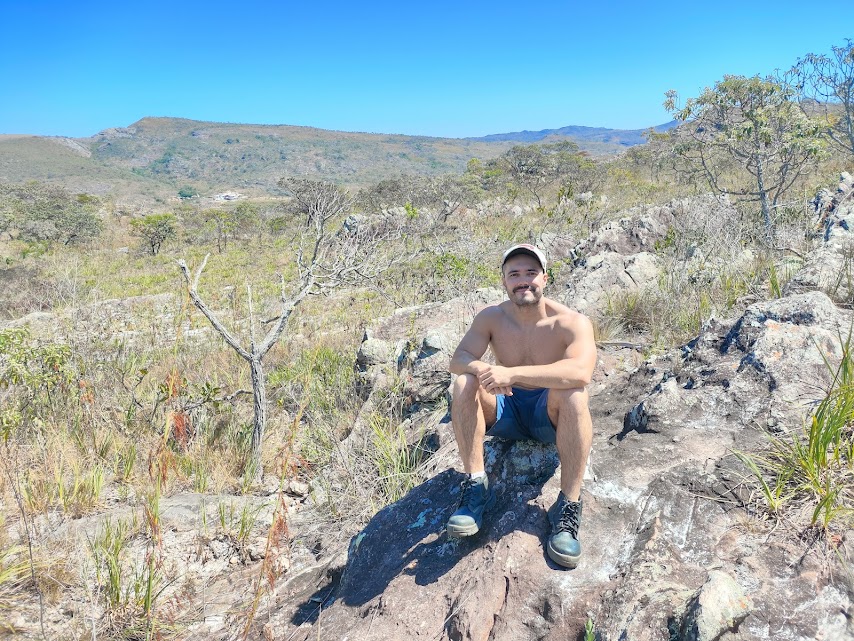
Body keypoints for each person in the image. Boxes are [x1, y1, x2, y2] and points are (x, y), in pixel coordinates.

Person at [446, 243, 596, 569]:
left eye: (531, 273)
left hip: (548, 414)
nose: (523, 280)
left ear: (545, 277)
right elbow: (458, 360)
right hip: (507, 410)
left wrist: (511, 372)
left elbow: (581, 371)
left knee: (574, 393)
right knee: (463, 383)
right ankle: (475, 486)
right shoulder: (492, 317)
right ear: (504, 281)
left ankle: (568, 506)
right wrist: (484, 371)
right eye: (514, 274)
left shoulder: (571, 323)